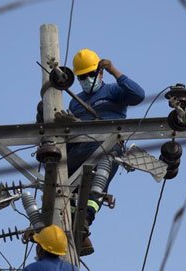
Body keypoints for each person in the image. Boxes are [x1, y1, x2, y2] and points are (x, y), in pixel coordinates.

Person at [66, 48, 145, 255]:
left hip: (107, 146)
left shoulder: (112, 91)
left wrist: (114, 70)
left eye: (90, 75)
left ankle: (84, 222)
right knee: (61, 185)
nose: (86, 79)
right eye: (81, 77)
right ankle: (69, 228)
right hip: (78, 150)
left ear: (99, 73)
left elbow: (138, 95)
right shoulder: (75, 100)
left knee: (97, 179)